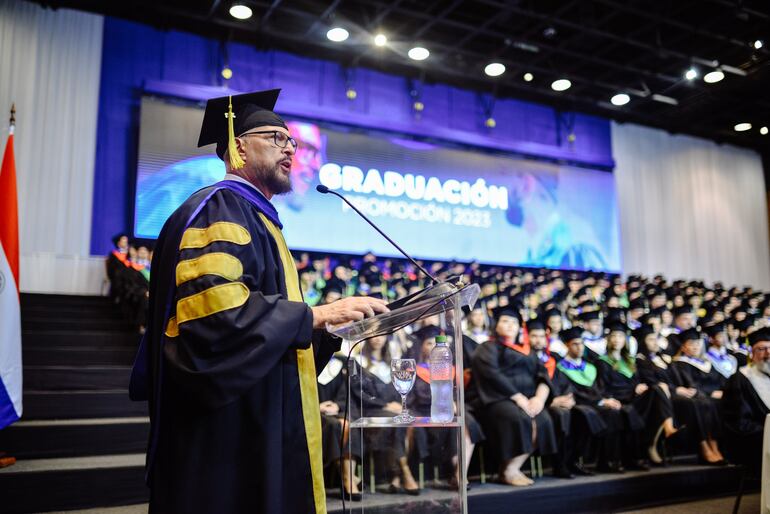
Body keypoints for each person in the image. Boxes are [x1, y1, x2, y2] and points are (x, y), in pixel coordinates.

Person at [137, 90, 388, 514]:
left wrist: (325, 329)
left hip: (256, 419)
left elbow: (267, 330)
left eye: (291, 141)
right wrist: (316, 314)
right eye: (276, 138)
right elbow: (216, 316)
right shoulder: (219, 208)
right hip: (225, 434)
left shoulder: (256, 217)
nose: (290, 148)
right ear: (237, 146)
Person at [470, 307, 557, 486]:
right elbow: (492, 375)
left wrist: (539, 399)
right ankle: (508, 470)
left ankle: (511, 468)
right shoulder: (487, 347)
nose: (510, 325)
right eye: (505, 321)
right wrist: (517, 397)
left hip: (527, 400)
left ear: (519, 327)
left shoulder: (528, 351)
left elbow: (543, 377)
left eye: (514, 322)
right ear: (496, 325)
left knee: (543, 420)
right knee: (518, 418)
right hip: (497, 399)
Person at [671, 328, 726, 465]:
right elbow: (692, 385)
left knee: (722, 403)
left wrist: (724, 391)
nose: (695, 346)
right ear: (683, 347)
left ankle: (716, 445)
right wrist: (710, 392)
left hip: (710, 397)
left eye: (697, 343)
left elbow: (721, 381)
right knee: (708, 404)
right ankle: (707, 446)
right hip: (697, 397)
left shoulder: (706, 362)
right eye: (691, 344)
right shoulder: (681, 363)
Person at [722, 328, 770, 474]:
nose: (768, 353)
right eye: (762, 349)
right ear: (752, 354)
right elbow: (740, 424)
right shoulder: (740, 379)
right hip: (752, 443)